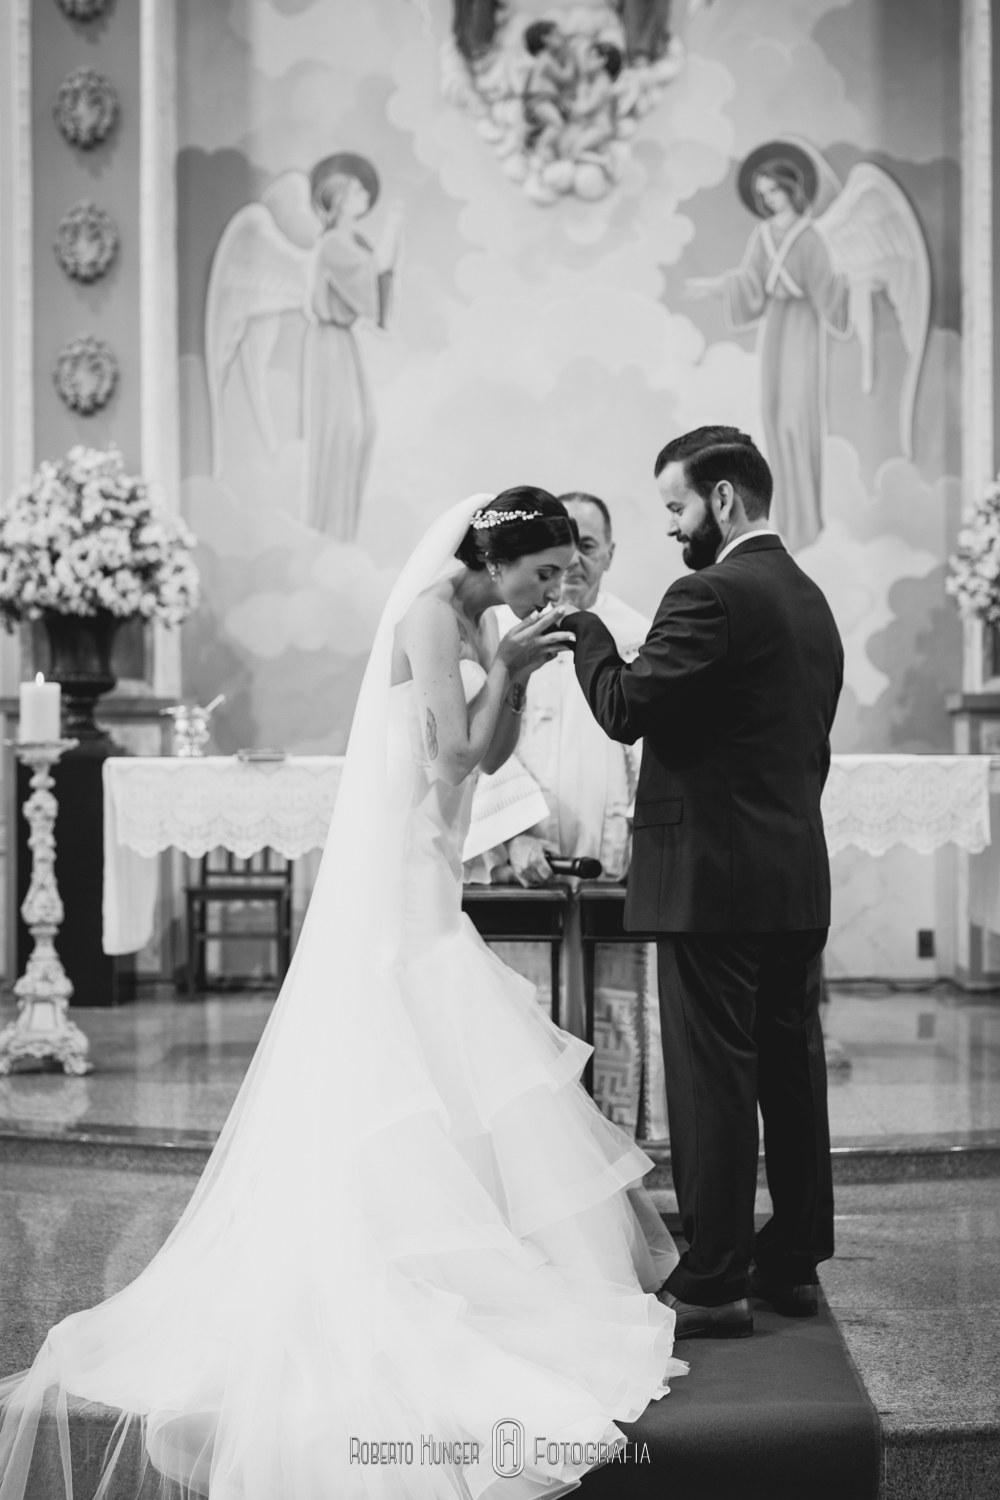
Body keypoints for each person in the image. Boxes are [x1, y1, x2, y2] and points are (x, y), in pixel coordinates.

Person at [0, 488, 685, 1500]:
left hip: (435, 863)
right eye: (542, 572)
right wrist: (501, 671)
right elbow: (447, 757)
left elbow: (487, 760)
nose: (551, 588)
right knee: (413, 1061)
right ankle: (407, 1259)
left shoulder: (483, 614)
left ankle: (465, 1249)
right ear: (502, 558)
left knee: (456, 1073)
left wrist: (508, 671)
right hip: (405, 879)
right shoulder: (425, 613)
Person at [567, 427, 844, 1340]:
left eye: (678, 507)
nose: (675, 528)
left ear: (723, 501)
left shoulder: (710, 592)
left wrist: (592, 630)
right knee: (791, 1074)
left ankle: (717, 1278)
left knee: (714, 1079)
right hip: (791, 878)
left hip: (712, 886)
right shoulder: (810, 602)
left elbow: (626, 706)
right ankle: (793, 1264)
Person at [465, 492, 660, 1135]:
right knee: (523, 1015)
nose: (569, 569)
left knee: (617, 1012)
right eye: (554, 559)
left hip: (612, 862)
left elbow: (651, 742)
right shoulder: (502, 626)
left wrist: (643, 833)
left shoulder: (636, 634)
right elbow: (485, 737)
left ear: (608, 554)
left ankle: (615, 1160)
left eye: (587, 549)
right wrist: (515, 833)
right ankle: (534, 1157)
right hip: (527, 860)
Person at [686, 153, 849, 555]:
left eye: (775, 190)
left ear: (791, 189)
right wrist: (719, 287)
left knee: (798, 415)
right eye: (763, 194)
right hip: (776, 326)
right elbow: (751, 285)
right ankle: (785, 518)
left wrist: (854, 289)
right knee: (775, 413)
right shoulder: (762, 236)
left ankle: (806, 520)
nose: (770, 199)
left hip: (802, 328)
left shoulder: (810, 237)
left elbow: (829, 289)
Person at [305, 153, 402, 539]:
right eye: (359, 189)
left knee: (362, 428)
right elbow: (372, 273)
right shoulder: (333, 244)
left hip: (343, 345)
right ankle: (331, 529)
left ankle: (342, 529)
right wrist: (394, 225)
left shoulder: (351, 241)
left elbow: (374, 283)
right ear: (341, 197)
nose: (365, 196)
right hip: (330, 346)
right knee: (342, 430)